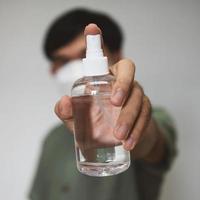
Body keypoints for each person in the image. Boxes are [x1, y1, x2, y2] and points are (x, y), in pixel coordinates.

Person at [29, 8, 177, 200]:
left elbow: (152, 144)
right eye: (63, 61)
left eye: (83, 54)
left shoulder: (153, 115)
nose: (76, 68)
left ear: (117, 56)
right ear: (53, 70)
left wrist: (132, 130)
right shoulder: (52, 139)